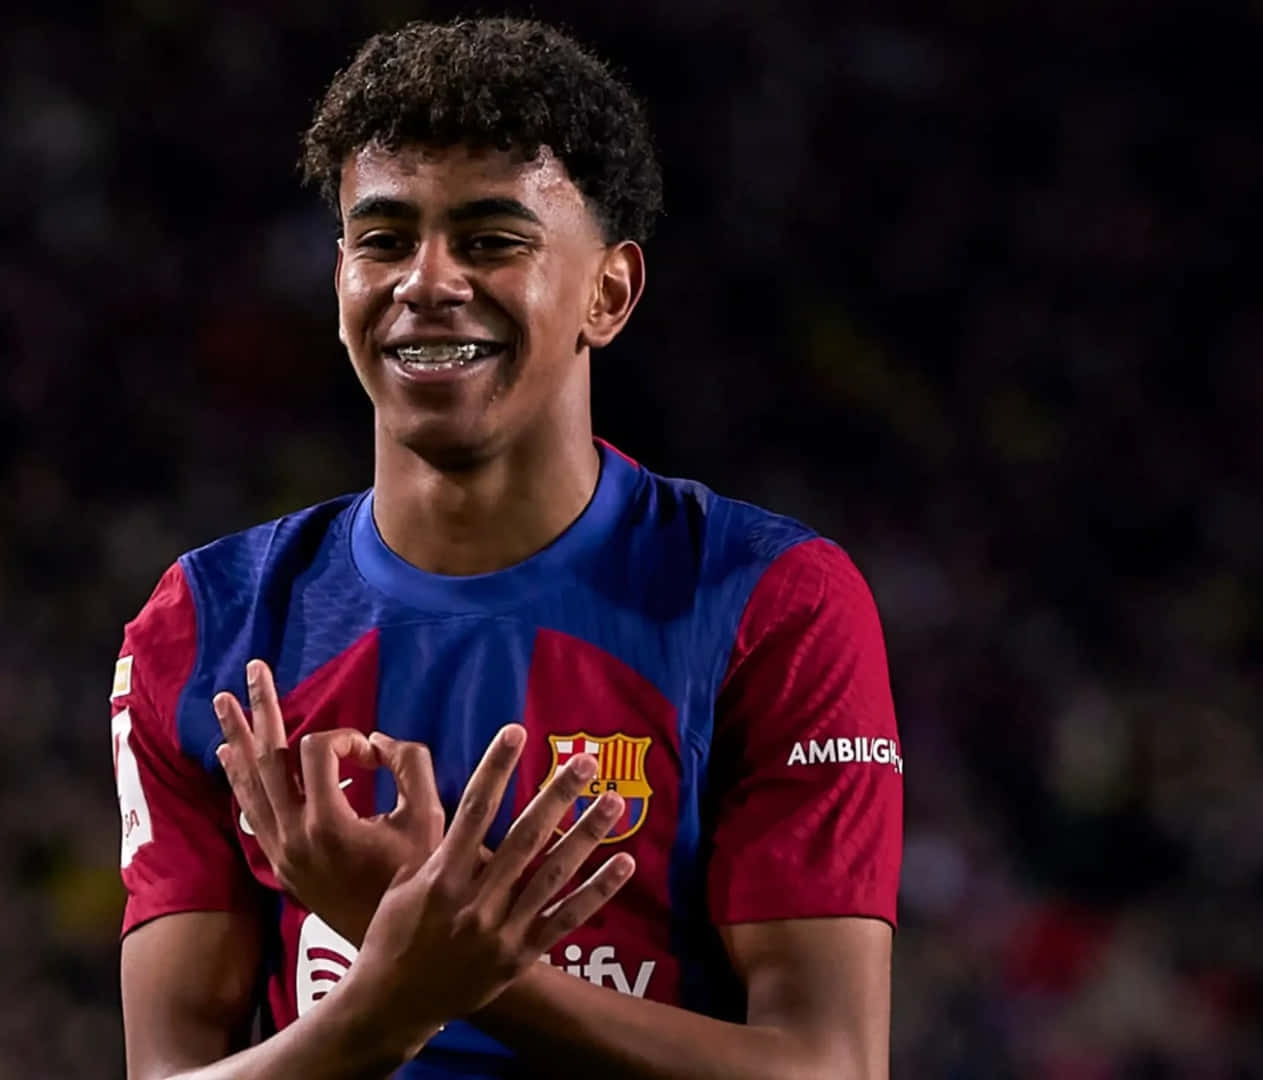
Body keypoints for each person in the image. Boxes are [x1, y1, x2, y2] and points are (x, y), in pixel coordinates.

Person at [110, 17, 901, 1079]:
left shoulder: (770, 602)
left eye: (490, 240)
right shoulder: (207, 623)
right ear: (340, 280)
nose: (427, 281)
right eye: (384, 240)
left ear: (608, 294)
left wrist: (438, 952)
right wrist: (390, 995)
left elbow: (829, 1065)